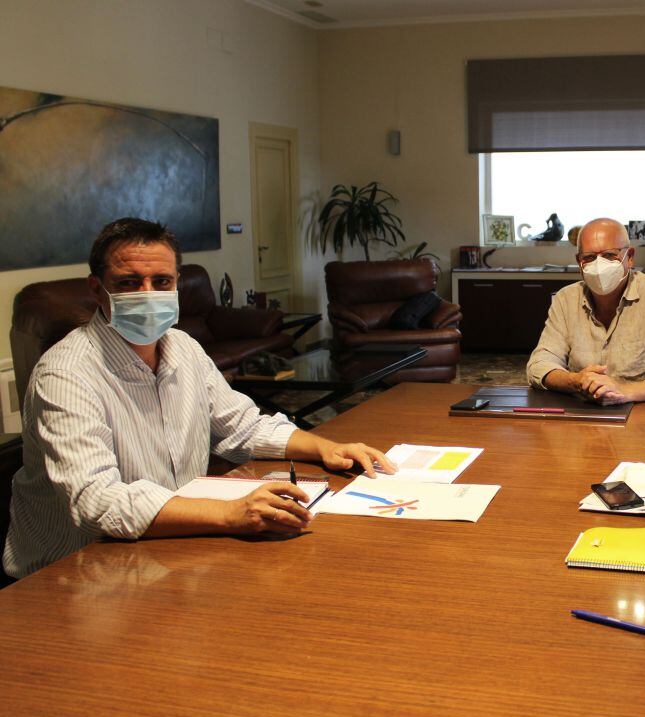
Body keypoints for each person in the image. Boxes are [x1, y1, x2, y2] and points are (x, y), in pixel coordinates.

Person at [4, 218, 398, 579]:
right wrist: (230, 513)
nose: (147, 294)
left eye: (161, 282)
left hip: (164, 552)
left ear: (177, 283)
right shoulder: (66, 375)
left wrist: (327, 448)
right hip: (69, 574)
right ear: (97, 289)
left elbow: (242, 426)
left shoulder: (182, 348)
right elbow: (97, 502)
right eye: (129, 282)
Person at [526, 217, 645, 404]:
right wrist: (576, 381)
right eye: (589, 257)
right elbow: (538, 365)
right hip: (581, 412)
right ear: (579, 262)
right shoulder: (566, 299)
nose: (599, 265)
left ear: (630, 257)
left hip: (641, 416)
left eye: (609, 255)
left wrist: (626, 391)